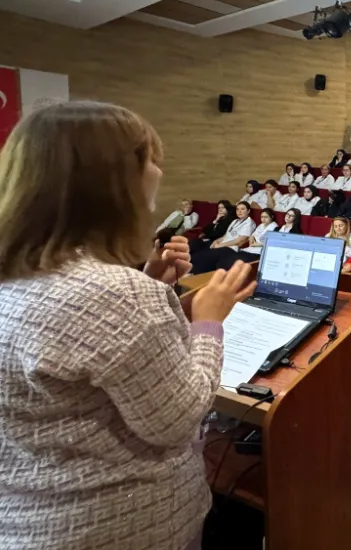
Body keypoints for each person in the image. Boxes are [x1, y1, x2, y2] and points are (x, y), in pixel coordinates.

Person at [0, 100, 258, 550]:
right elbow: (179, 418)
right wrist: (209, 321)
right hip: (118, 525)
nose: (159, 171)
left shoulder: (21, 274)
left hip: (29, 517)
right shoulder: (114, 293)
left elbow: (82, 346)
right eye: (150, 159)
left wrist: (150, 284)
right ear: (111, 182)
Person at [190, 200, 256, 274]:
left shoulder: (249, 223)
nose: (239, 211)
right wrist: (216, 241)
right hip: (222, 244)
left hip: (231, 248)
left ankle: (195, 277)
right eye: (238, 209)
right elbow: (226, 235)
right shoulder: (235, 221)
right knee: (199, 253)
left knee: (206, 256)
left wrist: (220, 245)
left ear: (248, 211)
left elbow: (239, 240)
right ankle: (188, 273)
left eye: (242, 209)